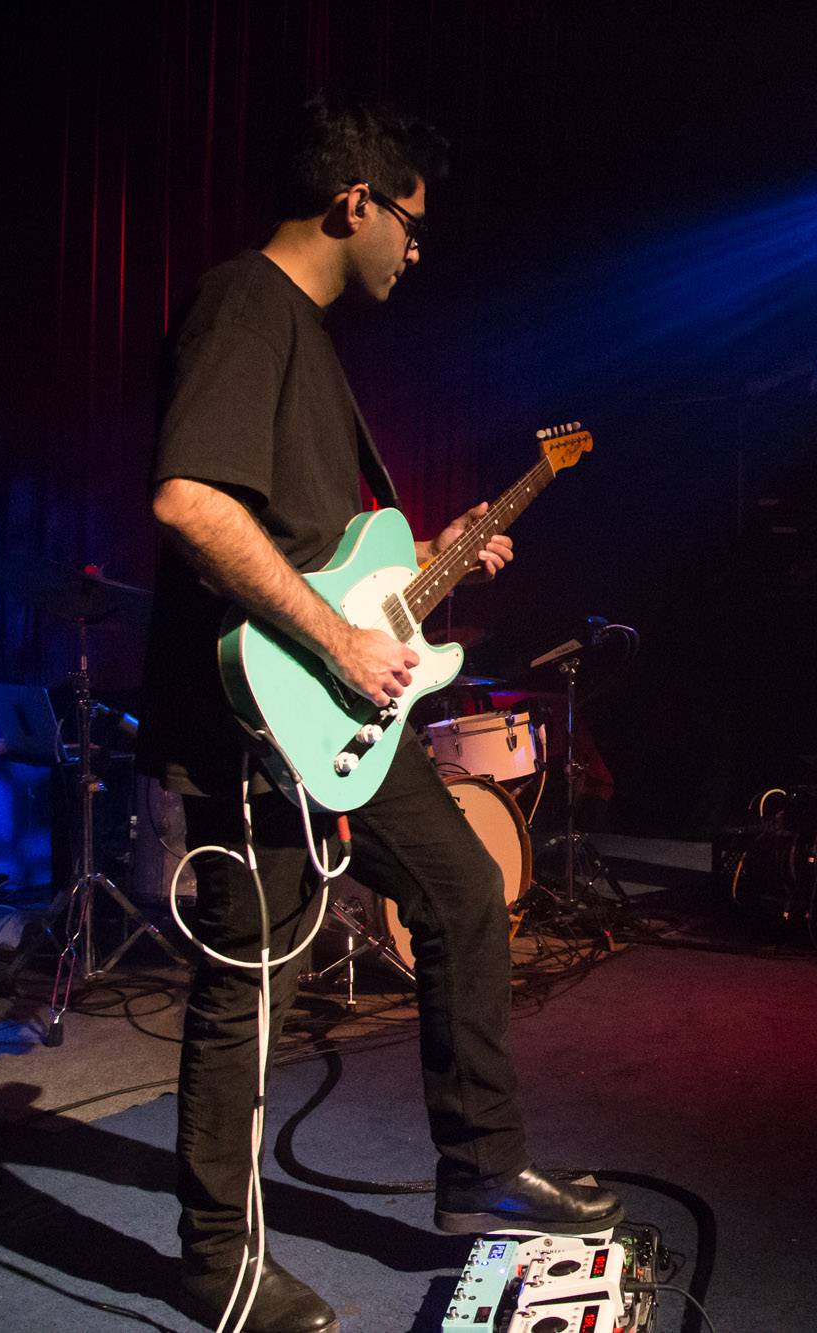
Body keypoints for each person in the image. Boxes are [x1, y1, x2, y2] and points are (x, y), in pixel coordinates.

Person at [139, 94, 619, 1333]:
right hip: (256, 715)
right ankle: (218, 1260)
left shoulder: (307, 339)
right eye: (410, 218)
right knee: (250, 980)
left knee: (461, 892)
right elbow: (192, 503)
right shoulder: (245, 302)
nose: (418, 244)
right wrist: (345, 637)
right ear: (355, 199)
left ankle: (478, 1172)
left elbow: (322, 548)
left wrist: (431, 564)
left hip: (337, 696)